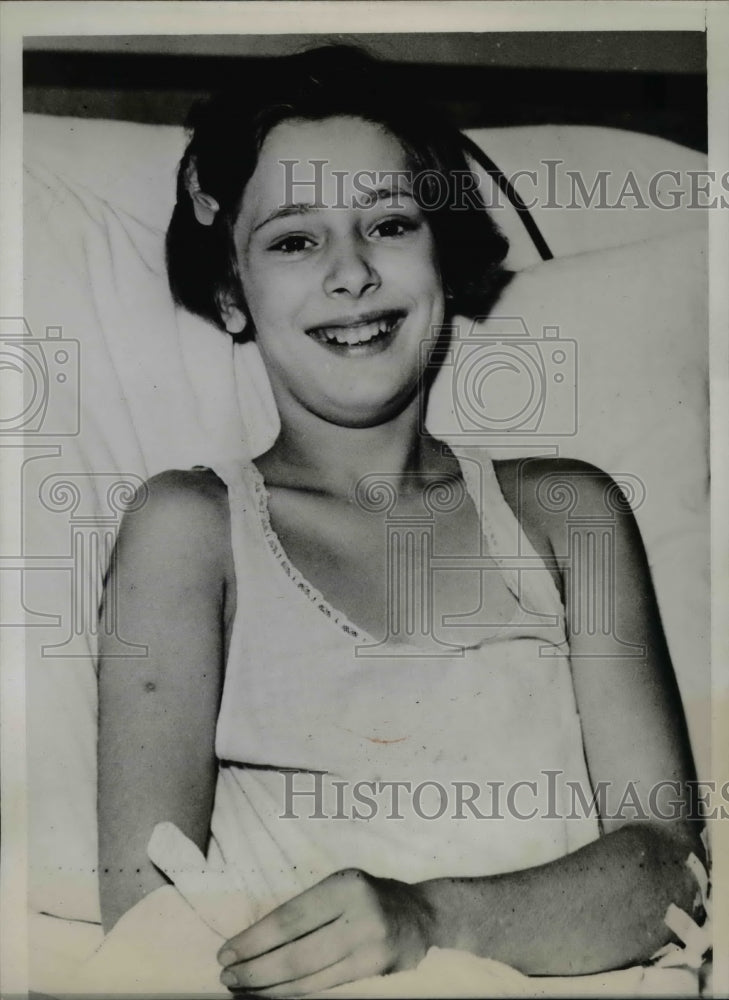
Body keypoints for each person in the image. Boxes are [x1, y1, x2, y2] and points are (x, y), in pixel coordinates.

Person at [97, 45, 706, 996]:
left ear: (444, 262)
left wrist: (429, 919)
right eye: (294, 241)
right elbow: (147, 926)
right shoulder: (191, 528)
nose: (350, 272)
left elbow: (670, 866)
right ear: (230, 294)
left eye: (387, 223)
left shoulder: (566, 512)